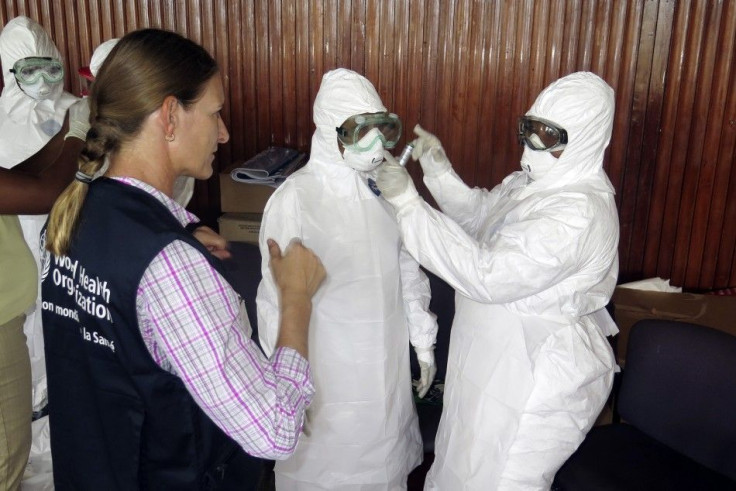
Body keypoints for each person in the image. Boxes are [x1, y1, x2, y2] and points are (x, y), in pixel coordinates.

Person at [40, 28, 325, 489]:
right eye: (215, 113)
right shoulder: (169, 265)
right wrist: (296, 299)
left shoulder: (71, 212)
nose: (225, 132)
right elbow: (274, 430)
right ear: (170, 117)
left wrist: (183, 230)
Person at [376, 71, 620, 490]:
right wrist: (439, 173)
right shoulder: (537, 183)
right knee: (461, 466)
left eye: (548, 135)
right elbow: (481, 220)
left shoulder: (579, 212)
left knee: (501, 478)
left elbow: (487, 273)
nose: (531, 144)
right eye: (529, 128)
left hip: (536, 376)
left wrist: (407, 204)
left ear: (584, 138)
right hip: (493, 357)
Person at [256, 67, 439, 489]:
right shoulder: (295, 199)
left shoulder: (385, 191)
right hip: (322, 384)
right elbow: (273, 304)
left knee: (383, 472)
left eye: (382, 130)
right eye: (362, 131)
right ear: (331, 131)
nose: (375, 145)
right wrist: (281, 388)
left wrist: (422, 342)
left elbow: (408, 270)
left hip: (384, 380)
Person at [0, 15, 79, 415]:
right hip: (12, 280)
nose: (43, 78)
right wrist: (76, 138)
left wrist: (73, 132)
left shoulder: (72, 108)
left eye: (49, 65)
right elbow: (41, 190)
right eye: (29, 69)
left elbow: (28, 171)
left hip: (64, 241)